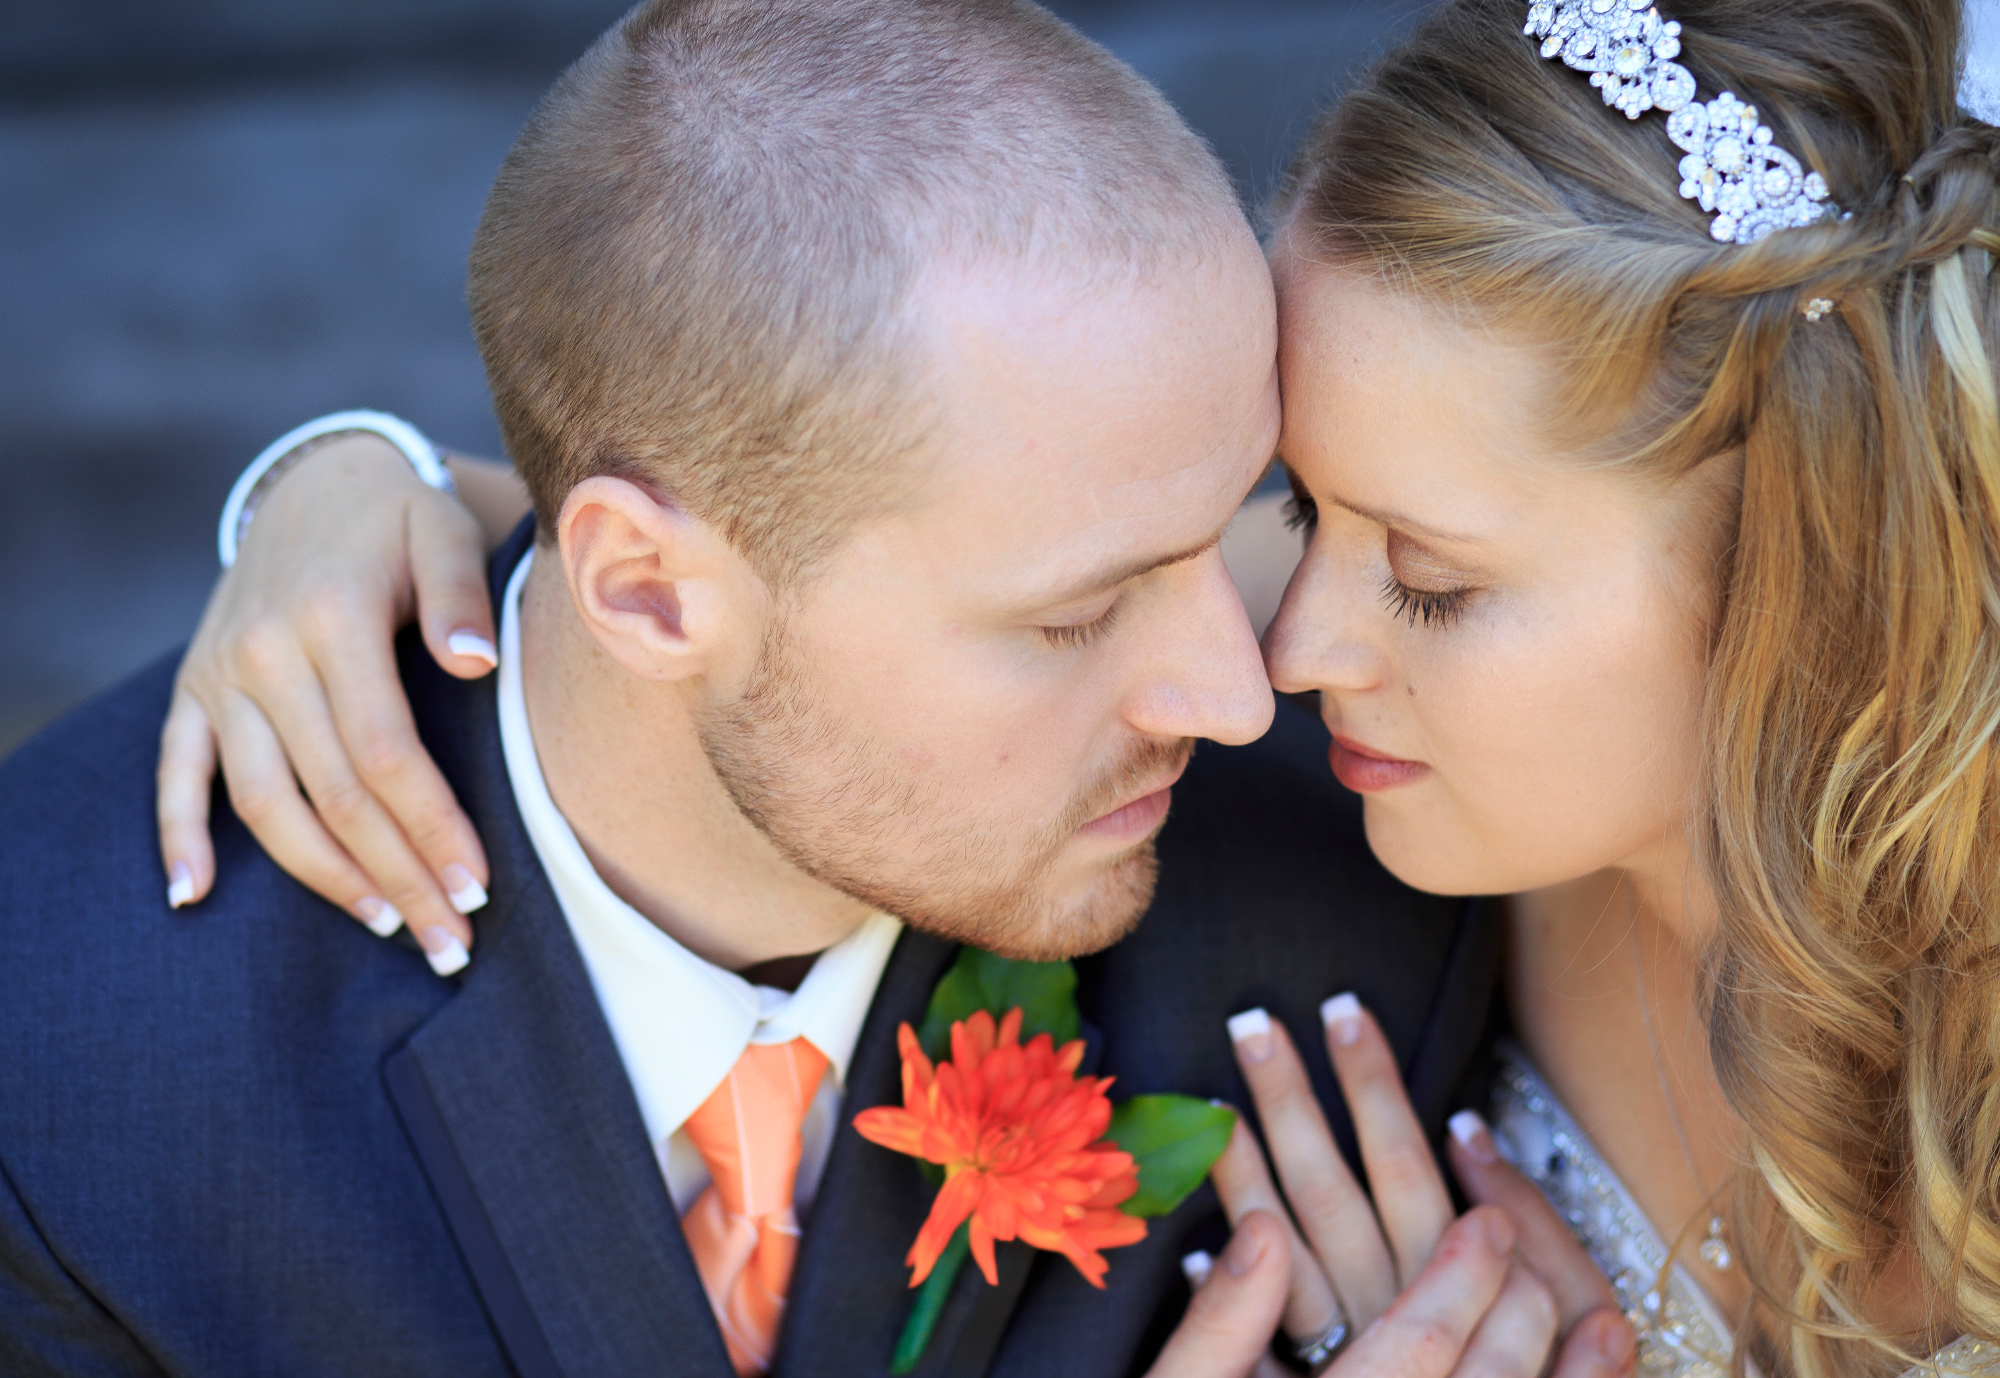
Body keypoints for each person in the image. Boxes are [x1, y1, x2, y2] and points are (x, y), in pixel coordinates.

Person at [161, 0, 2000, 1376]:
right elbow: (810, 547)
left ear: (1808, 588)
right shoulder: (1361, 748)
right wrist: (349, 485)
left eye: (1430, 583)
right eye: (1292, 504)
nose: (1269, 654)